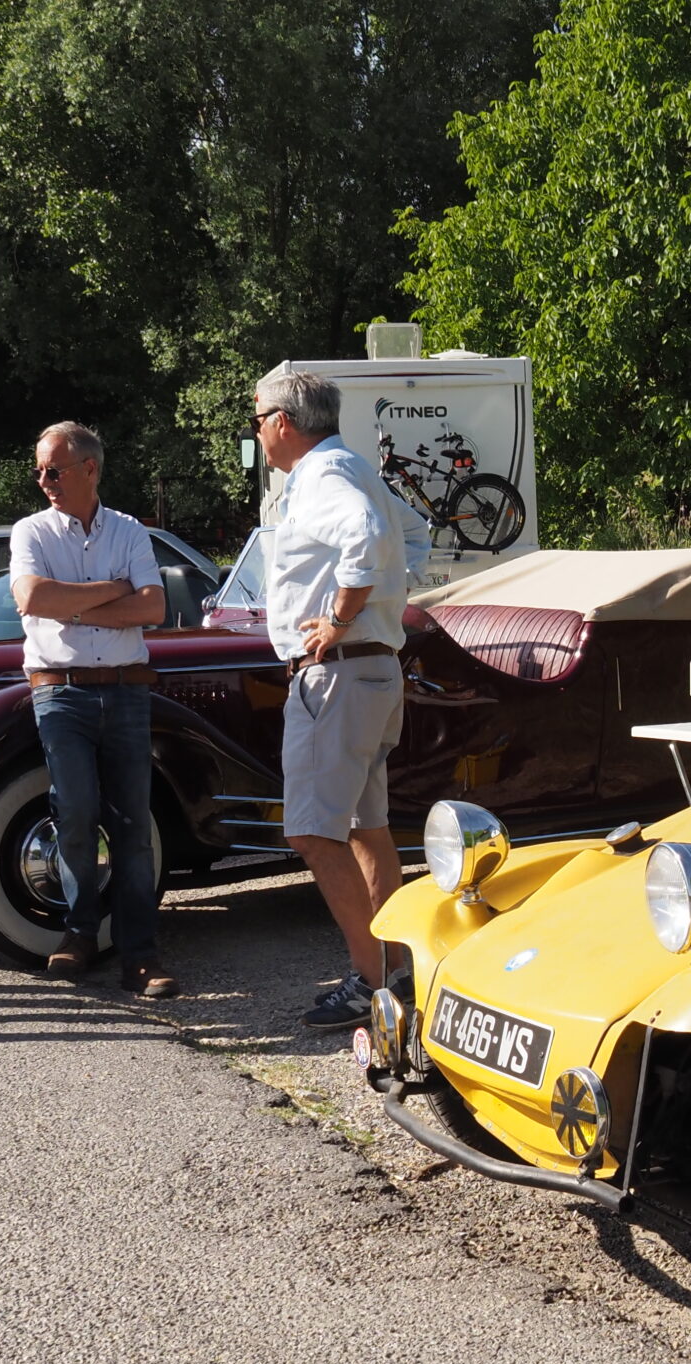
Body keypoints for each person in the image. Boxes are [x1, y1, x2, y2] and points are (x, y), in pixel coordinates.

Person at [252, 369, 431, 1029]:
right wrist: (381, 601)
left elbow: (369, 535)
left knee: (311, 831)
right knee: (363, 827)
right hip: (369, 670)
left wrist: (338, 616)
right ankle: (393, 969)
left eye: (258, 419)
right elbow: (413, 535)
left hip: (336, 673)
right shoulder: (351, 467)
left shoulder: (323, 476)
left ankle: (372, 981)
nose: (257, 431)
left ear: (283, 422)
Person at [8, 422, 178, 999]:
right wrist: (114, 589)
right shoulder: (30, 531)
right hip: (59, 691)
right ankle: (79, 933)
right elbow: (33, 597)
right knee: (75, 813)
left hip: (126, 689)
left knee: (133, 826)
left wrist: (72, 607)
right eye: (38, 470)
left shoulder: (128, 529)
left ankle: (141, 956)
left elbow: (152, 607)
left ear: (89, 469)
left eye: (53, 470)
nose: (43, 481)